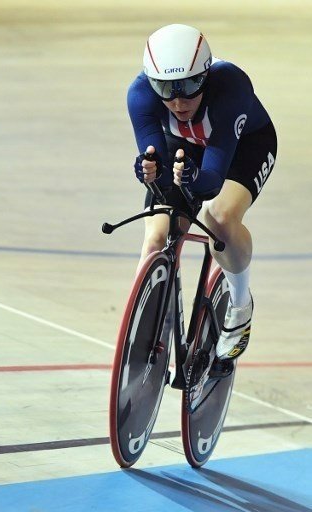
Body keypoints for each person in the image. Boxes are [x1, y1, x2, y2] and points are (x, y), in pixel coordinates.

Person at [127, 24, 277, 360]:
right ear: (151, 83)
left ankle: (239, 306)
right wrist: (149, 172)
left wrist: (193, 178)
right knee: (157, 233)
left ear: (206, 75)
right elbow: (160, 175)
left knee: (218, 217)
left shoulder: (231, 87)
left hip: (243, 147)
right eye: (166, 89)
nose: (178, 102)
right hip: (186, 148)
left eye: (190, 86)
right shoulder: (140, 95)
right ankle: (148, 319)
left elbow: (210, 182)